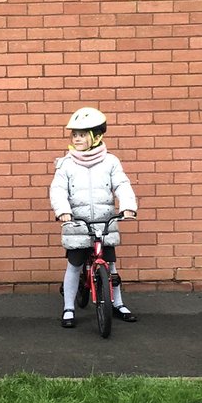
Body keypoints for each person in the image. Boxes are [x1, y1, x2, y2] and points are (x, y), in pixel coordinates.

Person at [49, 107, 139, 328]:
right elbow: (57, 189)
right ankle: (68, 307)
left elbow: (121, 184)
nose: (77, 138)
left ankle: (117, 303)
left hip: (104, 223)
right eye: (74, 134)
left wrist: (128, 206)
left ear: (96, 136)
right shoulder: (66, 164)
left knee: (111, 265)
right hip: (77, 224)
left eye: (82, 134)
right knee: (74, 264)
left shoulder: (110, 162)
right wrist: (63, 211)